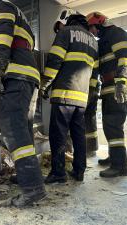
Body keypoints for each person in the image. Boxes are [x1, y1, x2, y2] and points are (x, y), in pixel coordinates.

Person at [0, 0, 46, 207]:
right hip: (29, 79)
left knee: (13, 130)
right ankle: (26, 177)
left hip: (17, 77)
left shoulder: (4, 7)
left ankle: (33, 189)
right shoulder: (24, 18)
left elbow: (3, 36)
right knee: (24, 131)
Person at [40, 13, 99, 183]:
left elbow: (54, 60)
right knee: (78, 135)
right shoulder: (94, 42)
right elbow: (95, 72)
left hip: (64, 94)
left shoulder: (66, 33)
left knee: (58, 135)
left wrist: (45, 84)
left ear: (69, 22)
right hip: (81, 98)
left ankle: (58, 173)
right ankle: (79, 171)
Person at [86, 12, 127, 177]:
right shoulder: (104, 41)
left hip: (117, 86)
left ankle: (119, 166)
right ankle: (115, 157)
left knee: (113, 125)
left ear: (98, 25)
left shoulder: (117, 34)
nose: (91, 32)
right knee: (109, 124)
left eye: (91, 28)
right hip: (107, 86)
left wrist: (121, 82)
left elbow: (124, 59)